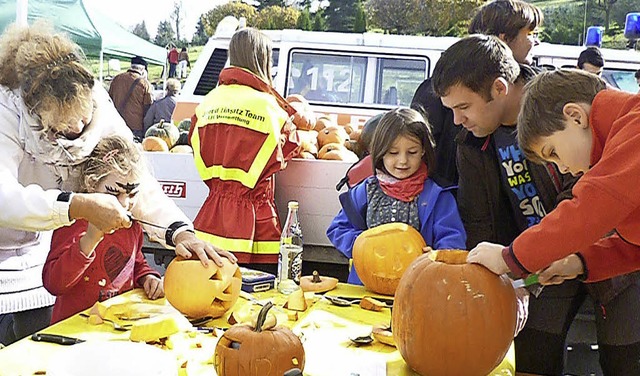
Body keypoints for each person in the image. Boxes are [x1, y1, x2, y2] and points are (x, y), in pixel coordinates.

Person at [0, 22, 235, 346]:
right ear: (39, 113)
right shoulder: (6, 111)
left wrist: (179, 230)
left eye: (84, 121)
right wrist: (77, 206)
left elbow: (134, 175)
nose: (80, 129)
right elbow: (4, 199)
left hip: (38, 262)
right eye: (68, 126)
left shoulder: (92, 96)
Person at [434, 36, 640, 374]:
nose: (561, 169)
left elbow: (589, 208)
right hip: (548, 261)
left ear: (575, 116)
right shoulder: (473, 145)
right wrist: (580, 262)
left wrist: (509, 257)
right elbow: (634, 247)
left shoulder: (634, 126)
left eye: (554, 155)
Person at [189, 28, 303, 275]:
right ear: (263, 59)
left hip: (211, 216)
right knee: (256, 297)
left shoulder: (208, 101)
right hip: (256, 224)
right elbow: (292, 145)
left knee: (211, 291)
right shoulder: (269, 107)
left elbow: (193, 140)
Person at [326, 108, 467, 285]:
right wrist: (362, 246)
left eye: (412, 152)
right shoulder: (366, 190)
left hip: (420, 287)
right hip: (366, 287)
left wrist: (436, 256)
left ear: (423, 150)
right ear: (380, 151)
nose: (403, 161)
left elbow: (454, 240)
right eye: (393, 153)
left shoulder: (438, 196)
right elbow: (337, 229)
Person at [411, 0, 543, 186]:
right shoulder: (435, 96)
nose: (535, 41)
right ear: (502, 39)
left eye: (463, 107)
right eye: (530, 33)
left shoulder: (551, 103)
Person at [43, 135, 163, 324]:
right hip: (72, 332)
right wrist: (89, 239)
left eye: (132, 194)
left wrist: (147, 276)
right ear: (91, 185)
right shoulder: (72, 223)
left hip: (115, 328)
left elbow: (135, 262)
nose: (124, 203)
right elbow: (54, 283)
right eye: (114, 193)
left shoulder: (132, 226)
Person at [108, 56, 153, 140]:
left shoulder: (117, 79)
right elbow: (148, 107)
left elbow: (109, 100)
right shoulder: (144, 83)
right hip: (135, 125)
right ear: (143, 70)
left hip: (117, 123)